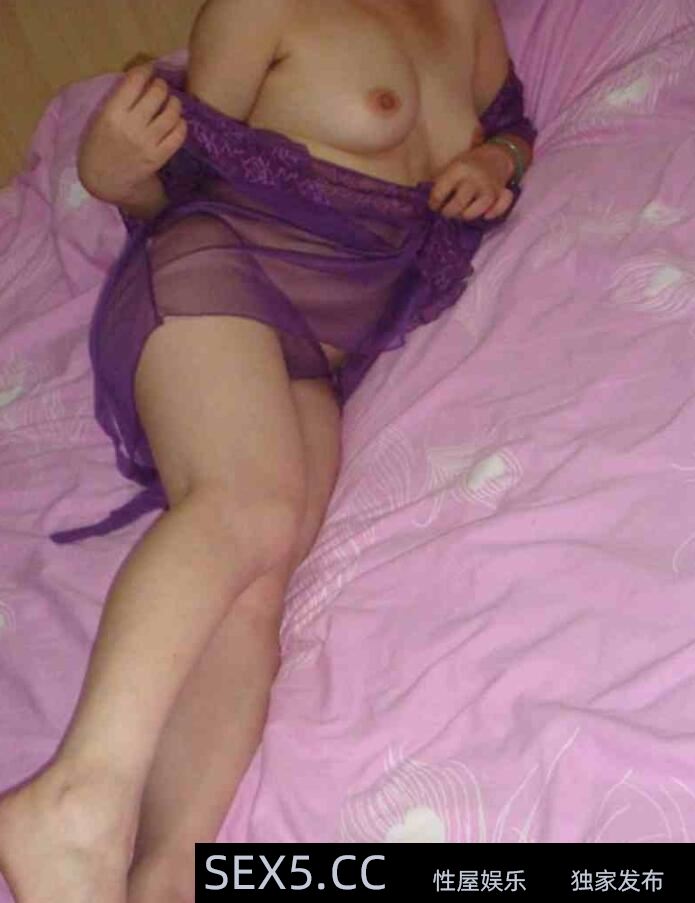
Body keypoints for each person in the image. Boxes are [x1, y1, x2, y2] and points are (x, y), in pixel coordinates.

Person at [0, 1, 535, 900]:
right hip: (216, 273)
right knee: (243, 503)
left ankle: (168, 871)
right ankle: (72, 800)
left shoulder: (462, 12)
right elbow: (181, 179)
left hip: (324, 349)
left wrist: (497, 160)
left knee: (260, 586)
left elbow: (512, 125)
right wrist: (115, 177)